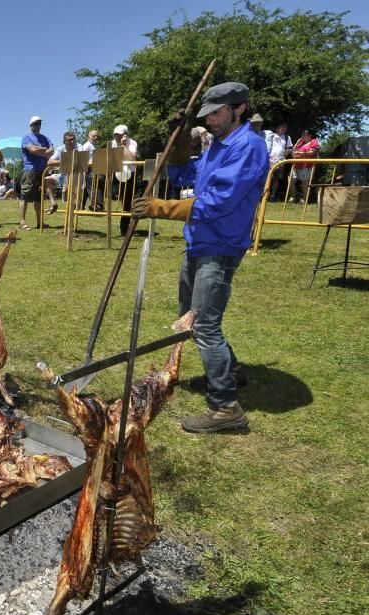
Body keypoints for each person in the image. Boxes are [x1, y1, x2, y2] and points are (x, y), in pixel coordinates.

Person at [132, 81, 268, 433]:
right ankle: (231, 372)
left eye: (217, 113)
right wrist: (177, 142)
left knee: (204, 324)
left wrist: (160, 207)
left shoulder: (248, 147)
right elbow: (185, 175)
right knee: (189, 317)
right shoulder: (216, 146)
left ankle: (226, 408)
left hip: (221, 245)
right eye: (206, 115)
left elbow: (218, 201)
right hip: (198, 242)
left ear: (239, 108)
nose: (210, 121)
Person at [19, 116, 53, 230]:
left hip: (42, 171)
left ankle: (40, 222)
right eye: (35, 124)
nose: (38, 125)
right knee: (25, 196)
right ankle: (22, 222)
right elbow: (32, 150)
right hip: (30, 171)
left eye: (39, 123)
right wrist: (43, 150)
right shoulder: (26, 138)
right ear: (31, 125)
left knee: (39, 198)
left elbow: (51, 151)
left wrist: (39, 150)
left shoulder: (45, 137)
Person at [111, 124, 139, 235]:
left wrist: (123, 145)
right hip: (115, 173)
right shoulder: (112, 143)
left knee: (127, 201)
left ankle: (124, 227)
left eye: (119, 135)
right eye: (115, 135)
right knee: (102, 180)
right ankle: (98, 205)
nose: (117, 137)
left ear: (125, 135)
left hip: (129, 174)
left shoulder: (132, 143)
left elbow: (131, 158)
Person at [291, 129, 319, 203]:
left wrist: (300, 153)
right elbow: (293, 153)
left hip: (307, 166)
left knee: (304, 184)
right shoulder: (300, 143)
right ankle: (293, 197)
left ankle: (304, 199)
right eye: (302, 135)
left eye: (304, 135)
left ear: (309, 135)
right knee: (291, 180)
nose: (302, 136)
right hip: (296, 165)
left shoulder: (314, 142)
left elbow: (312, 152)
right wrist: (297, 143)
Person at [267, 122, 293, 201]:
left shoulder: (287, 137)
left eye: (285, 128)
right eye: (282, 128)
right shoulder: (271, 136)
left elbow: (290, 149)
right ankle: (264, 194)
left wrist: (287, 152)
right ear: (277, 128)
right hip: (269, 160)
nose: (283, 130)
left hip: (280, 161)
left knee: (276, 179)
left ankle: (272, 196)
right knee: (267, 178)